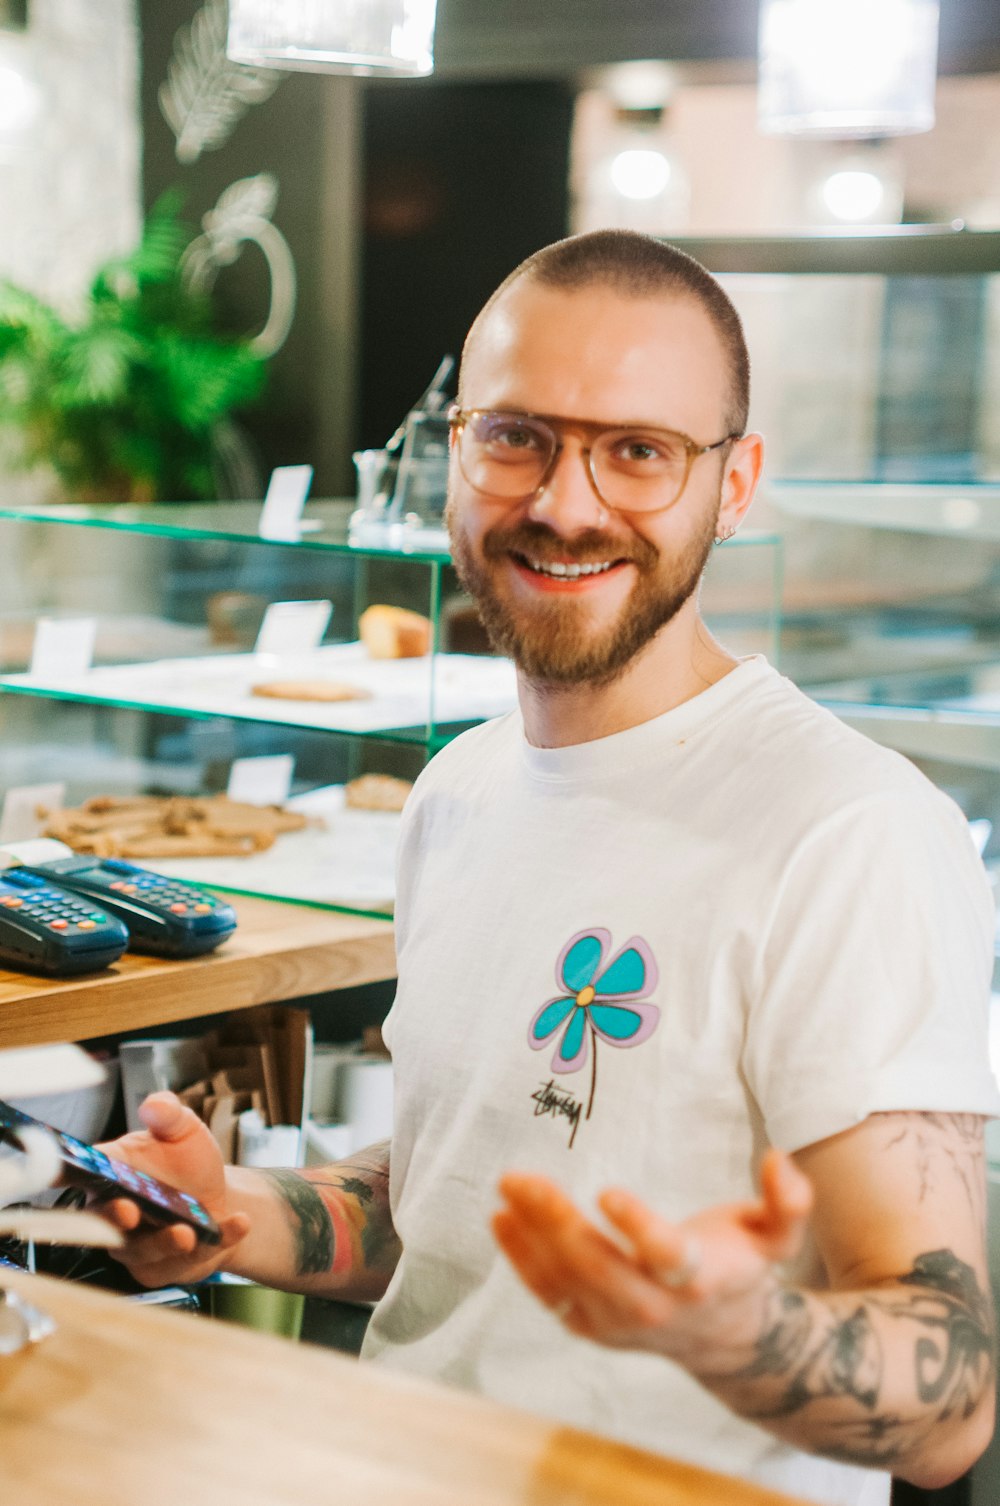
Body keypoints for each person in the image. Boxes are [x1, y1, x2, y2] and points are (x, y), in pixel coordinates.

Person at [99, 230, 999, 1506]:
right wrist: (229, 1210)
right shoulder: (460, 788)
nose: (565, 504)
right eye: (516, 435)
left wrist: (725, 1329)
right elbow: (444, 1203)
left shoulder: (848, 832)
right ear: (458, 449)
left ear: (733, 485)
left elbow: (951, 1396)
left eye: (637, 452)